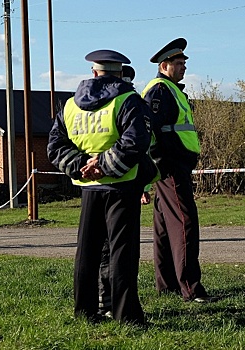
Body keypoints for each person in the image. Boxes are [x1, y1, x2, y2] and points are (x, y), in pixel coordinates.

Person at [47, 50, 157, 324]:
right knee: (122, 252)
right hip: (122, 185)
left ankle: (85, 311)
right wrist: (105, 165)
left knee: (87, 251)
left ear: (94, 73)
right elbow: (136, 141)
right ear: (120, 73)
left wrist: (83, 164)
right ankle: (126, 314)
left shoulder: (71, 105)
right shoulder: (128, 100)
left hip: (88, 187)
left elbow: (55, 146)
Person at [142, 38, 216, 303]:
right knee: (185, 223)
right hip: (170, 167)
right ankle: (191, 289)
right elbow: (148, 131)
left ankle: (168, 285)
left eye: (184, 63)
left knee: (164, 228)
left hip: (169, 168)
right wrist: (151, 173)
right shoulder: (160, 91)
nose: (183, 67)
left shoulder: (169, 90)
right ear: (164, 66)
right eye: (178, 63)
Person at [97, 64, 152, 318]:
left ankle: (104, 301)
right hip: (122, 185)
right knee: (120, 249)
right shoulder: (132, 105)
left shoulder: (92, 105)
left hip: (94, 185)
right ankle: (114, 304)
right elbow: (139, 149)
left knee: (103, 248)